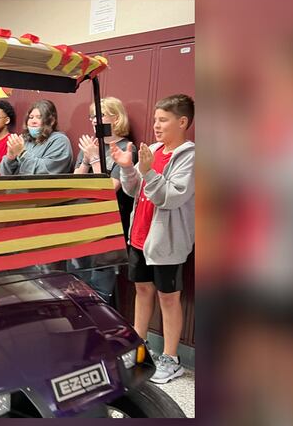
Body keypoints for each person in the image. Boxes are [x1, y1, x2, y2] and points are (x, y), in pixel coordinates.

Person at [110, 94, 195, 384]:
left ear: (182, 122)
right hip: (140, 236)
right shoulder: (153, 150)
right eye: (155, 120)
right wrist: (127, 168)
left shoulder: (190, 157)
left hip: (167, 241)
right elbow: (134, 190)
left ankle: (171, 358)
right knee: (143, 290)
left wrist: (147, 172)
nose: (156, 126)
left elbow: (171, 197)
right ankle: (139, 346)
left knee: (168, 298)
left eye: (163, 120)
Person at [73, 97, 138, 303]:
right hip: (83, 221)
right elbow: (74, 184)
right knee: (76, 282)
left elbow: (110, 188)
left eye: (100, 115)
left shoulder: (126, 148)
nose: (94, 120)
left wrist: (94, 158)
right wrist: (86, 159)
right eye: (92, 116)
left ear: (116, 117)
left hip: (108, 226)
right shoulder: (91, 145)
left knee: (100, 287)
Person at [0, 99, 73, 175]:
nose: (33, 121)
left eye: (39, 117)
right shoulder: (25, 140)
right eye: (31, 117)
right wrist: (10, 157)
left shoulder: (60, 141)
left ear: (52, 121)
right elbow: (4, 174)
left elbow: (44, 172)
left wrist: (22, 153)